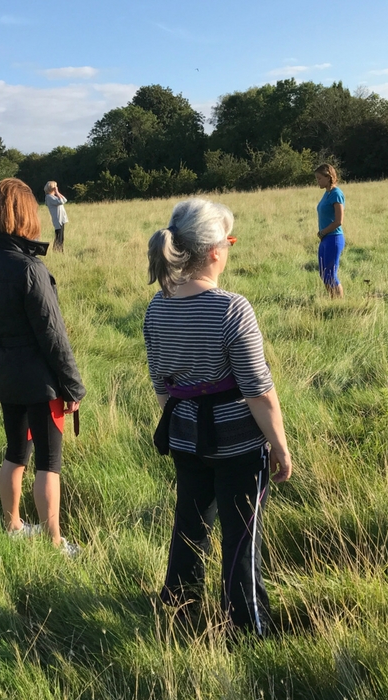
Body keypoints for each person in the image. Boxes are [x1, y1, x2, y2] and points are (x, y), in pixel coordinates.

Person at [144, 198, 292, 635]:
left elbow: (160, 385)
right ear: (213, 251)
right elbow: (259, 391)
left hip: (185, 436)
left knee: (189, 526)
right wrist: (280, 447)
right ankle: (248, 626)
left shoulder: (157, 306)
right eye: (229, 240)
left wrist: (187, 423)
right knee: (242, 535)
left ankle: (178, 615)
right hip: (239, 444)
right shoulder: (232, 308)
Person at [0, 178, 85, 555]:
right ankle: (54, 541)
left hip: (3, 372)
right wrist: (73, 387)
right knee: (49, 461)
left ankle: (13, 523)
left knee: (15, 451)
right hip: (41, 381)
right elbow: (53, 335)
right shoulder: (30, 268)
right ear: (25, 215)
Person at [314, 164, 345, 299]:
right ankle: (332, 299)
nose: (318, 181)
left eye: (320, 178)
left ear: (328, 177)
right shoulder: (327, 193)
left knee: (330, 274)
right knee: (323, 273)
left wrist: (323, 232)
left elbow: (339, 221)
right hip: (325, 239)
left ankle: (340, 302)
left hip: (334, 238)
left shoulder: (337, 194)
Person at [44, 181, 68, 253]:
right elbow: (61, 201)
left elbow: (65, 200)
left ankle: (59, 250)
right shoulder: (49, 197)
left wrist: (57, 193)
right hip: (58, 220)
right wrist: (57, 192)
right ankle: (57, 250)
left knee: (61, 237)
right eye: (55, 187)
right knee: (59, 236)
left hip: (61, 219)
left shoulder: (53, 197)